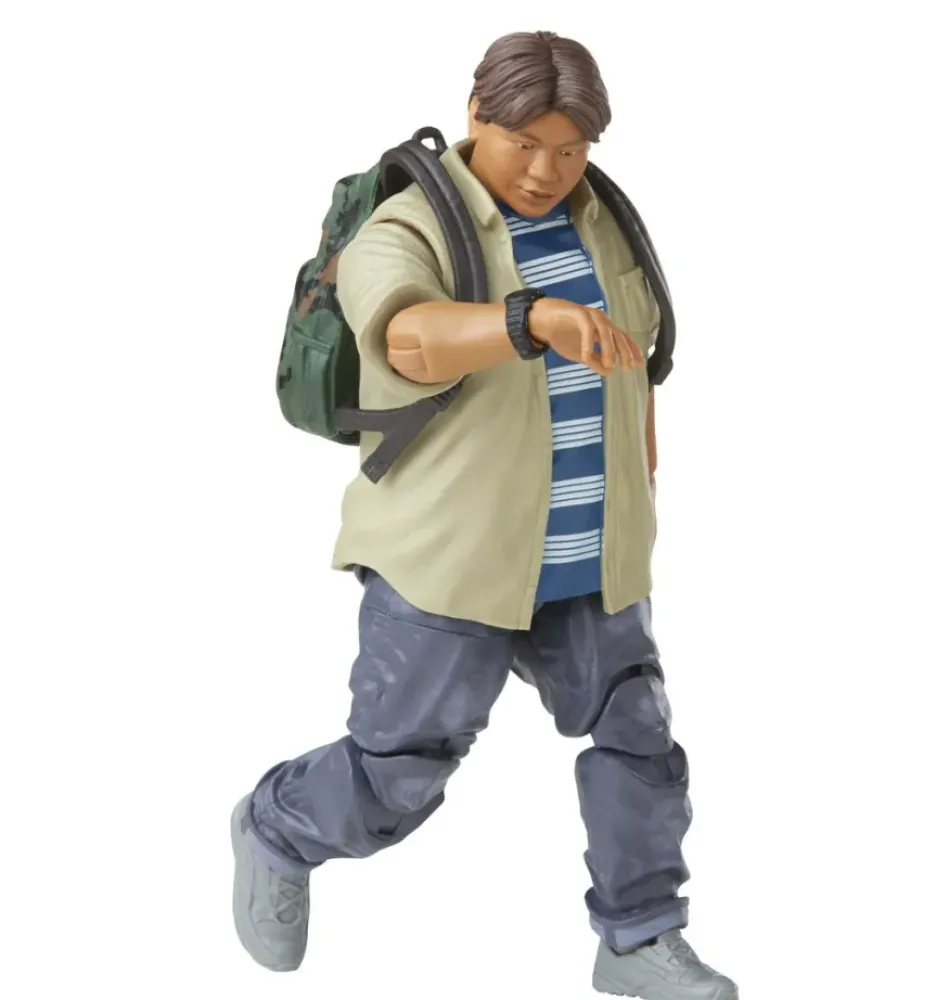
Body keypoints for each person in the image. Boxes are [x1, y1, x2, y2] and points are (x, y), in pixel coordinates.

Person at [231, 30, 738, 1000]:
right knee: (398, 774)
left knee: (638, 741)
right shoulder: (413, 223)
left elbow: (638, 360)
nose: (548, 171)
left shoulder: (603, 221)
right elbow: (408, 339)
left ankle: (638, 936)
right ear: (476, 117)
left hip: (588, 559)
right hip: (451, 561)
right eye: (526, 145)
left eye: (570, 149)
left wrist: (641, 485)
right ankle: (278, 826)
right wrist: (528, 319)